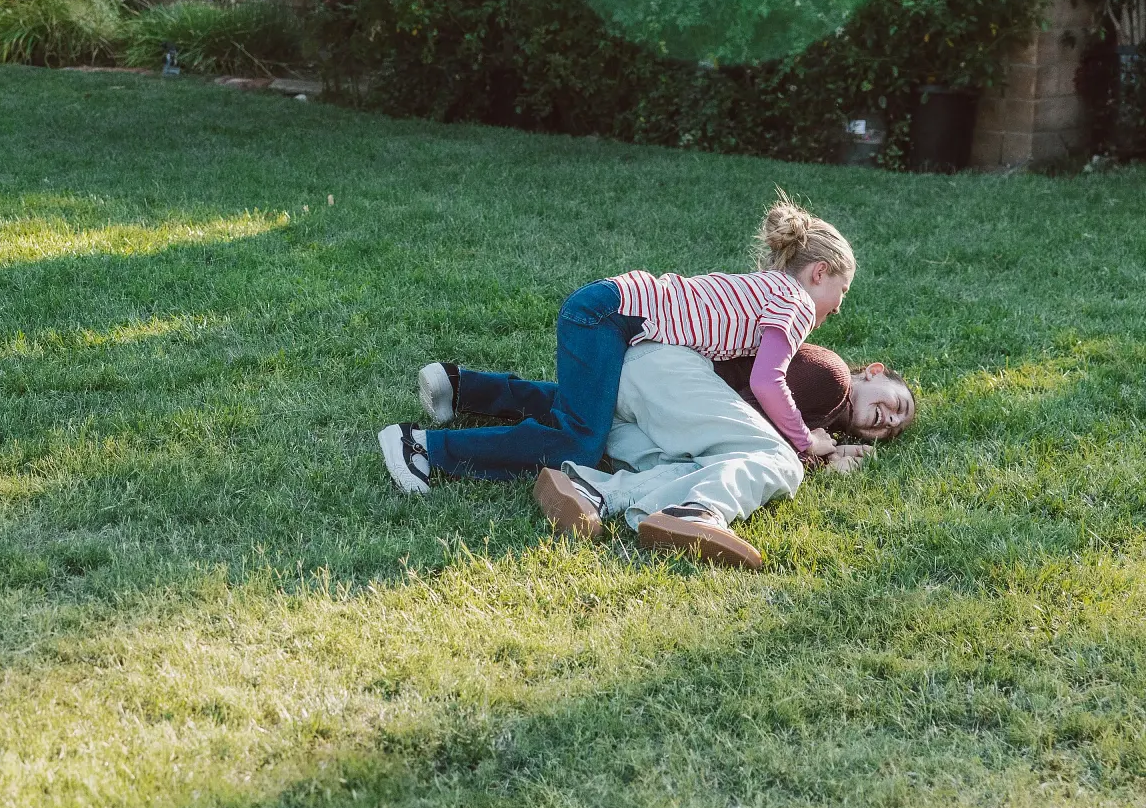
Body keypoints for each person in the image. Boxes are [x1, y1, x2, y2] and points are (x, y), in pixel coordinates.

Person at [377, 197, 857, 507]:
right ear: (819, 273)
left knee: (588, 403)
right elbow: (766, 381)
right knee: (581, 440)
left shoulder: (770, 287)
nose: (834, 310)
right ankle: (423, 448)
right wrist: (802, 441)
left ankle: (460, 386)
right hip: (612, 320)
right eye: (841, 293)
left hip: (609, 306)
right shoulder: (793, 304)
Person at [524, 340, 913, 570]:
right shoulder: (832, 376)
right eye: (897, 404)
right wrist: (808, 454)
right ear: (874, 372)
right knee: (781, 464)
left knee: (708, 467)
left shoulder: (824, 417)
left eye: (895, 427)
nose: (890, 419)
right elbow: (748, 410)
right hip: (662, 374)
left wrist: (821, 454)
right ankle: (697, 511)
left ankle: (590, 491)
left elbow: (734, 440)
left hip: (632, 415)